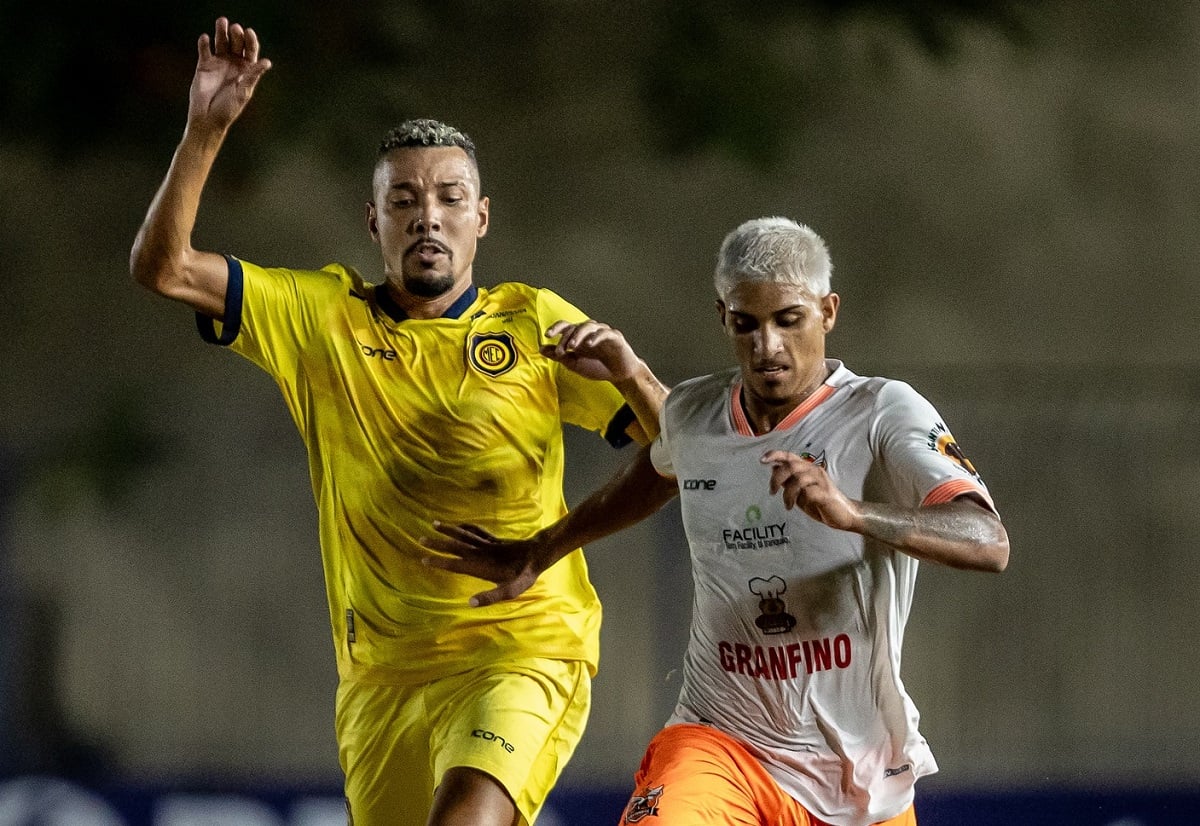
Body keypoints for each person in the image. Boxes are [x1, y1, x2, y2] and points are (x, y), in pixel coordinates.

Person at [129, 16, 668, 826]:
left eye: (450, 199)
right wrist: (205, 131)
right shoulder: (318, 317)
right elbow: (163, 268)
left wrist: (630, 372)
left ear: (480, 219)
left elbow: (685, 451)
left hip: (519, 649)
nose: (428, 217)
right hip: (381, 677)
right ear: (372, 222)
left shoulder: (532, 324)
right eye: (405, 201)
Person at [423, 216, 1010, 826]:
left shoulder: (882, 410)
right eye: (746, 324)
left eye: (789, 320)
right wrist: (541, 548)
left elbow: (988, 540)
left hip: (859, 775)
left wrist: (853, 512)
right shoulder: (697, 414)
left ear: (828, 311)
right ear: (723, 317)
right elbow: (658, 473)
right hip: (721, 741)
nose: (768, 348)